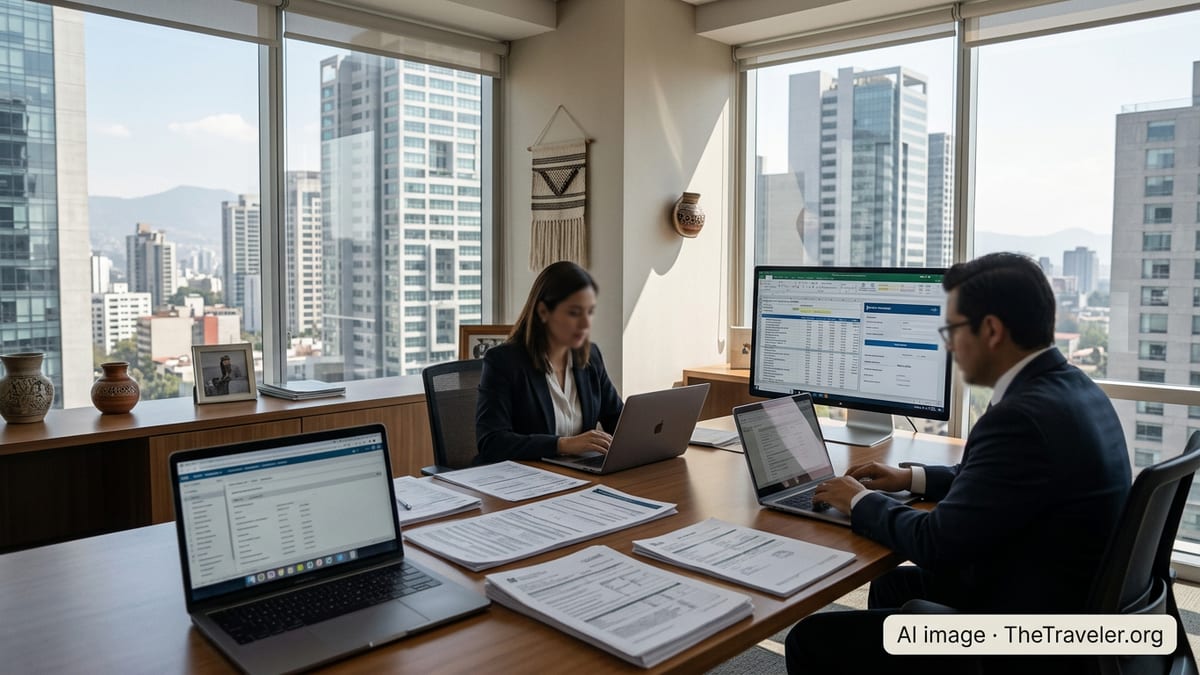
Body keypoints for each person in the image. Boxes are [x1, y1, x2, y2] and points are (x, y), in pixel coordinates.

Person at [785, 252, 1131, 673]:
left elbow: (937, 545)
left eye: (952, 329)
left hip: (1027, 638)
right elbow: (997, 483)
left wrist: (859, 501)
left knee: (811, 639)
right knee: (894, 584)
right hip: (1069, 605)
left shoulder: (1019, 417)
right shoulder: (1075, 388)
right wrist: (908, 478)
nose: (948, 344)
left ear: (991, 330)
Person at [475, 260, 623, 464]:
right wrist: (562, 444)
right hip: (524, 481)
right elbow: (492, 442)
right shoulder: (503, 362)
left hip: (577, 476)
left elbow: (617, 419)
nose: (585, 323)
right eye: (574, 312)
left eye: (589, 312)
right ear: (543, 311)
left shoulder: (590, 357)